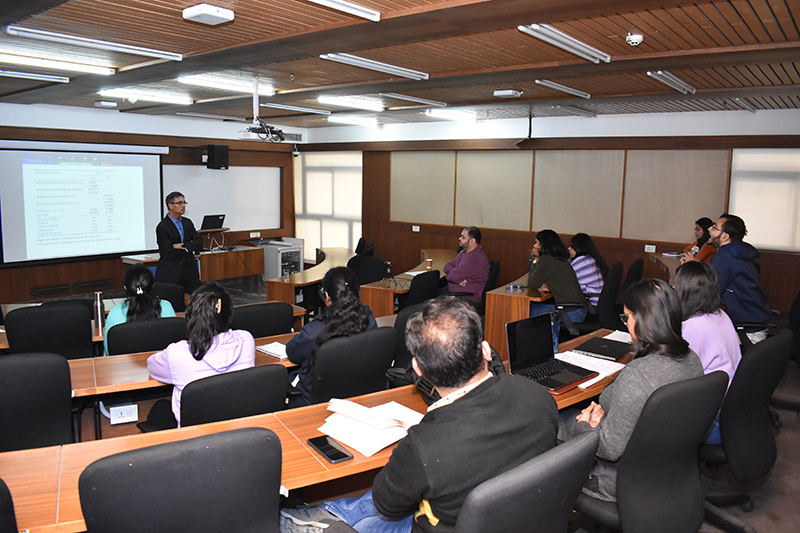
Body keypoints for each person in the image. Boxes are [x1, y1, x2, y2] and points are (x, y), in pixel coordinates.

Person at [281, 298, 558, 533]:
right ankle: (327, 512)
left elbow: (387, 503)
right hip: (521, 518)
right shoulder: (539, 396)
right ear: (486, 350)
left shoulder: (425, 446)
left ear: (419, 369)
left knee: (371, 516)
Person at [558, 279, 704, 502]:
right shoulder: (692, 359)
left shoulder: (638, 375)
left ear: (643, 321)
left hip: (617, 480)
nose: (625, 324)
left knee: (549, 420)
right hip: (667, 470)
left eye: (627, 317)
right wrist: (606, 414)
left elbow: (608, 448)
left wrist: (584, 424)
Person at [146, 281, 255, 427]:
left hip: (194, 439)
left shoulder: (178, 354)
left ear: (191, 316)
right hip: (237, 429)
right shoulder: (246, 341)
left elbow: (152, 367)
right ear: (229, 315)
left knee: (159, 408)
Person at [286, 267, 377, 407]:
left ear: (327, 297)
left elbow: (292, 352)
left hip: (313, 403)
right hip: (356, 396)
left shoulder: (312, 333)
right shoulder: (369, 320)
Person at [675, 261, 741, 444]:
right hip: (731, 410)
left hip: (714, 420)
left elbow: (675, 375)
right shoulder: (721, 315)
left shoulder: (693, 326)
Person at [685, 213, 771, 341]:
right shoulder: (736, 252)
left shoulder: (724, 256)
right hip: (757, 319)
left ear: (724, 236)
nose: (709, 229)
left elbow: (711, 292)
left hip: (747, 330)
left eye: (714, 227)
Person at [103, 263, 177, 355]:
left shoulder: (114, 313)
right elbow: (175, 346)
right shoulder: (167, 307)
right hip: (162, 367)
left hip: (124, 368)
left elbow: (108, 350)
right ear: (153, 285)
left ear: (125, 287)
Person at [528, 229, 587, 324]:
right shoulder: (560, 258)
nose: (534, 246)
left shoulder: (546, 260)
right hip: (579, 309)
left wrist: (536, 259)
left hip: (570, 313)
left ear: (542, 246)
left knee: (525, 311)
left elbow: (532, 283)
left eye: (536, 242)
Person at [155, 191, 204, 294]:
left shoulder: (187, 222)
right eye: (179, 203)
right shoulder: (163, 226)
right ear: (170, 206)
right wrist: (189, 248)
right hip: (172, 272)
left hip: (190, 271)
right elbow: (168, 252)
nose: (183, 206)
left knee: (196, 299)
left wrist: (183, 246)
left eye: (184, 203)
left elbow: (199, 243)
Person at [441, 226, 490, 302]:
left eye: (463, 237)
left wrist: (455, 275)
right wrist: (458, 276)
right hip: (456, 293)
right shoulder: (464, 252)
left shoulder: (474, 258)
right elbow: (447, 266)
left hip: (466, 297)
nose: (459, 238)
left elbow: (453, 277)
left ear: (472, 241)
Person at [569, 233, 608, 307]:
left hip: (590, 303)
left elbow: (564, 276)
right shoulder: (591, 259)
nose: (569, 248)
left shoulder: (581, 261)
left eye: (572, 246)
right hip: (599, 302)